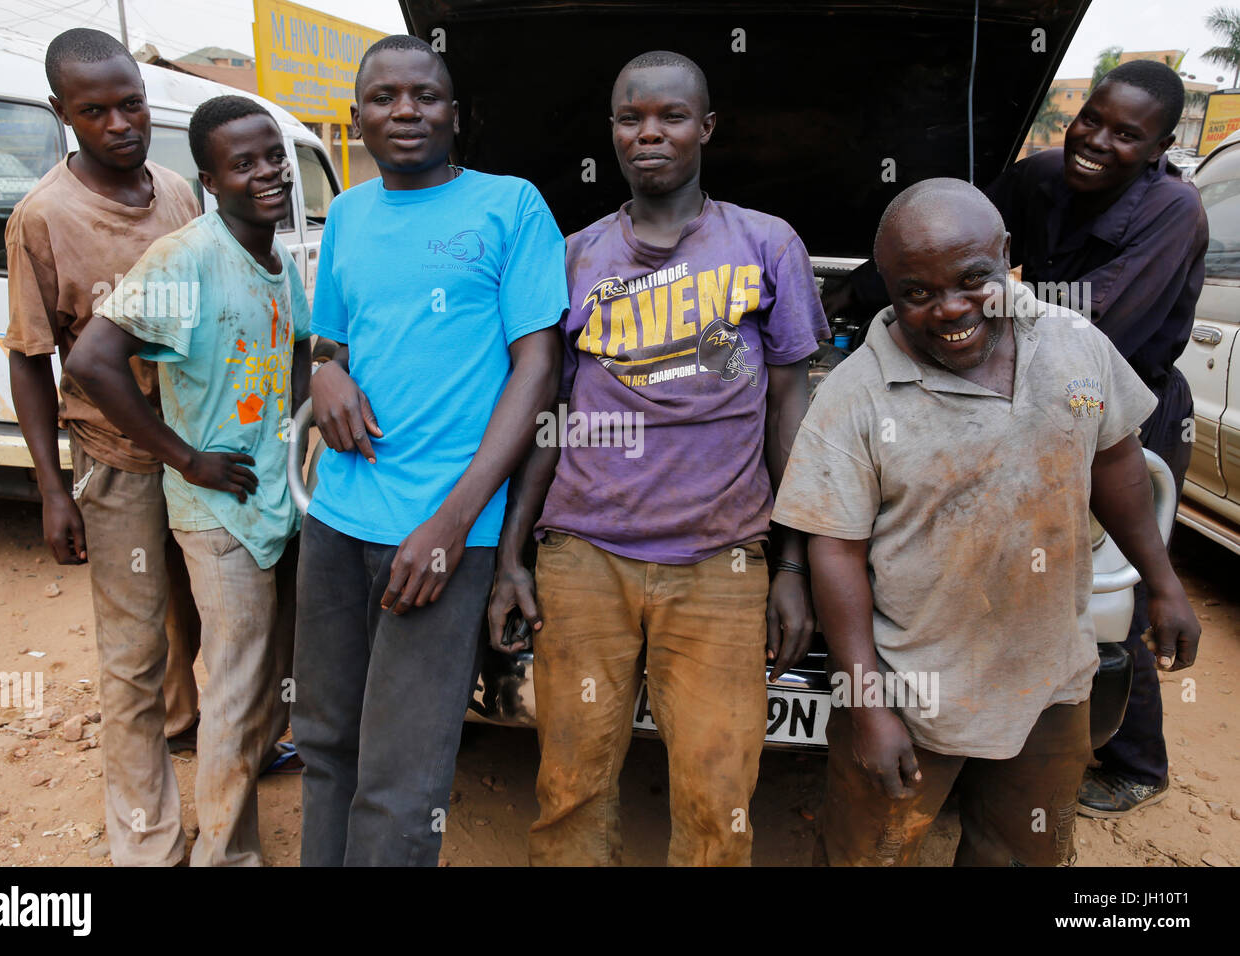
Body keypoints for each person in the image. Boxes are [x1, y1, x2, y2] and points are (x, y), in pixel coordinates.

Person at [773, 179, 1200, 866]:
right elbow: (836, 553)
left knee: (1021, 852)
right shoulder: (854, 395)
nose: (951, 310)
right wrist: (869, 708)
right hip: (916, 693)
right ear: (886, 287)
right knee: (870, 853)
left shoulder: (1074, 343)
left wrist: (1164, 582)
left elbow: (1116, 460)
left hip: (1050, 683)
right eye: (915, 292)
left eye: (975, 279)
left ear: (1006, 254)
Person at [827, 60, 1208, 818]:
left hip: (1118, 400)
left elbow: (1096, 329)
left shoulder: (1176, 214)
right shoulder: (1041, 178)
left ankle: (1132, 761)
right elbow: (933, 245)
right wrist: (848, 298)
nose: (1094, 140)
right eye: (1090, 118)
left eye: (1125, 134)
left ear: (1161, 146)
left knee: (1086, 581)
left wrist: (963, 331)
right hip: (1012, 376)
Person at [489, 51, 828, 866]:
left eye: (671, 116)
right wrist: (512, 555)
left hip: (722, 562)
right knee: (569, 788)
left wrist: (793, 565)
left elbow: (791, 407)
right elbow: (551, 412)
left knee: (718, 799)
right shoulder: (574, 256)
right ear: (611, 132)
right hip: (583, 556)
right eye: (631, 118)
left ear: (705, 128)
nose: (650, 133)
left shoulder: (765, 243)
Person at [291, 35, 568, 867]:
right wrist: (323, 369)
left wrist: (453, 522)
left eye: (426, 97)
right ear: (357, 117)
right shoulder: (346, 214)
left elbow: (541, 367)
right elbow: (332, 342)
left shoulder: (512, 206)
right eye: (384, 98)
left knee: (400, 776)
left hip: (444, 537)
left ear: (457, 115)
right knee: (324, 741)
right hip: (337, 520)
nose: (405, 112)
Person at [66, 95, 311, 866]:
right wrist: (185, 456)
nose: (267, 172)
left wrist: (298, 437)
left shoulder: (274, 258)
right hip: (216, 512)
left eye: (273, 155)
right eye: (245, 163)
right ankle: (225, 858)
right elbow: (91, 361)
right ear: (210, 180)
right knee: (236, 697)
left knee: (265, 685)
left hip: (274, 504)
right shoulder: (188, 256)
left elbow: (300, 347)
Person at [5, 28, 200, 867]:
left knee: (210, 623)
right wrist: (53, 489)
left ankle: (203, 732)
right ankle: (147, 840)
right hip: (116, 462)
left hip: (203, 453)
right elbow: (26, 357)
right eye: (95, 111)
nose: (121, 123)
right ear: (63, 114)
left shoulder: (182, 192)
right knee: (130, 657)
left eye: (132, 104)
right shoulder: (43, 217)